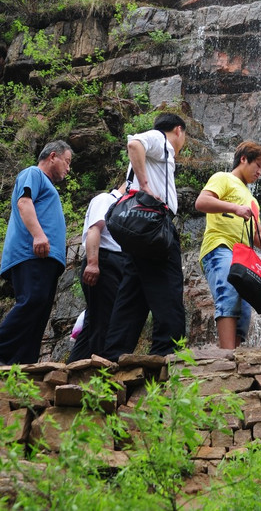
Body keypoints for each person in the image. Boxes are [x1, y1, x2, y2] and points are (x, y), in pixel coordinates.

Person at [103, 114, 188, 360]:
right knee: (169, 286)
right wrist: (146, 186)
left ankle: (114, 355)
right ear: (178, 130)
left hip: (139, 232)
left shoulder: (160, 150)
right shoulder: (160, 139)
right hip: (154, 226)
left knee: (132, 293)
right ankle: (167, 353)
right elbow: (134, 143)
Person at [195, 141, 261, 349]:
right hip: (219, 246)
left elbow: (257, 235)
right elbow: (201, 202)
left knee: (244, 309)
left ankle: (234, 355)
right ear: (243, 159)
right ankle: (227, 355)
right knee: (228, 292)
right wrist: (235, 208)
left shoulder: (252, 199)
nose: (260, 172)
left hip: (241, 259)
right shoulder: (223, 178)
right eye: (258, 165)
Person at [0, 140, 72, 365]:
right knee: (32, 301)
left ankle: (22, 366)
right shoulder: (33, 174)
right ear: (53, 156)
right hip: (32, 254)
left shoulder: (48, 186)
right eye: (67, 162)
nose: (68, 169)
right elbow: (24, 202)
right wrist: (39, 235)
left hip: (46, 259)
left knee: (39, 314)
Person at [68, 181, 127, 362]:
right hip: (104, 262)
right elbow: (94, 229)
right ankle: (101, 369)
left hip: (116, 263)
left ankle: (72, 368)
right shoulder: (105, 200)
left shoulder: (124, 208)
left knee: (93, 322)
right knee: (105, 319)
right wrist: (93, 263)